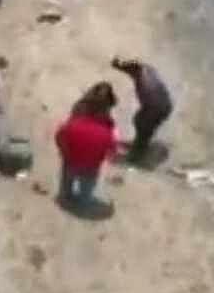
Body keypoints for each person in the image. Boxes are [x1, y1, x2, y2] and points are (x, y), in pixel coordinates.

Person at [54, 81, 118, 211]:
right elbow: (111, 151)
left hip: (70, 159)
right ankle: (83, 201)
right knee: (87, 187)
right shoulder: (107, 129)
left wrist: (64, 151)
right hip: (91, 166)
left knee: (67, 182)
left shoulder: (77, 114)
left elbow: (61, 135)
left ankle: (65, 197)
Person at [111, 56, 175, 163]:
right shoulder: (145, 70)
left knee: (143, 126)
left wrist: (142, 117)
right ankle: (139, 144)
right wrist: (118, 66)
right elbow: (129, 68)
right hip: (160, 104)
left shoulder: (145, 85)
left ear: (134, 72)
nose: (129, 75)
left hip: (158, 108)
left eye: (130, 72)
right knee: (140, 123)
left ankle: (136, 155)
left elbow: (151, 105)